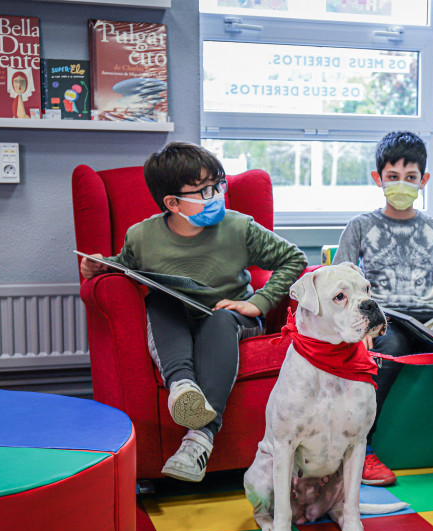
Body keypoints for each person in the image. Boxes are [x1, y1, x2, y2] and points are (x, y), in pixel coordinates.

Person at [80, 141, 307, 483]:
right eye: (203, 191)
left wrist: (258, 302)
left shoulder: (238, 226)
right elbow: (125, 266)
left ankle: (200, 439)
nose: (215, 195)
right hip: (179, 318)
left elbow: (294, 259)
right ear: (172, 203)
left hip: (232, 318)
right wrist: (98, 266)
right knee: (158, 299)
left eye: (218, 185)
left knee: (218, 318)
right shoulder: (142, 236)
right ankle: (183, 386)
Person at [334, 131, 433, 487]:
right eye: (392, 177)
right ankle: (363, 448)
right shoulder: (361, 225)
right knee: (386, 358)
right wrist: (358, 328)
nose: (401, 185)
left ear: (424, 180)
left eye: (410, 178)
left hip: (429, 319)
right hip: (383, 318)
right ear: (378, 179)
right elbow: (342, 280)